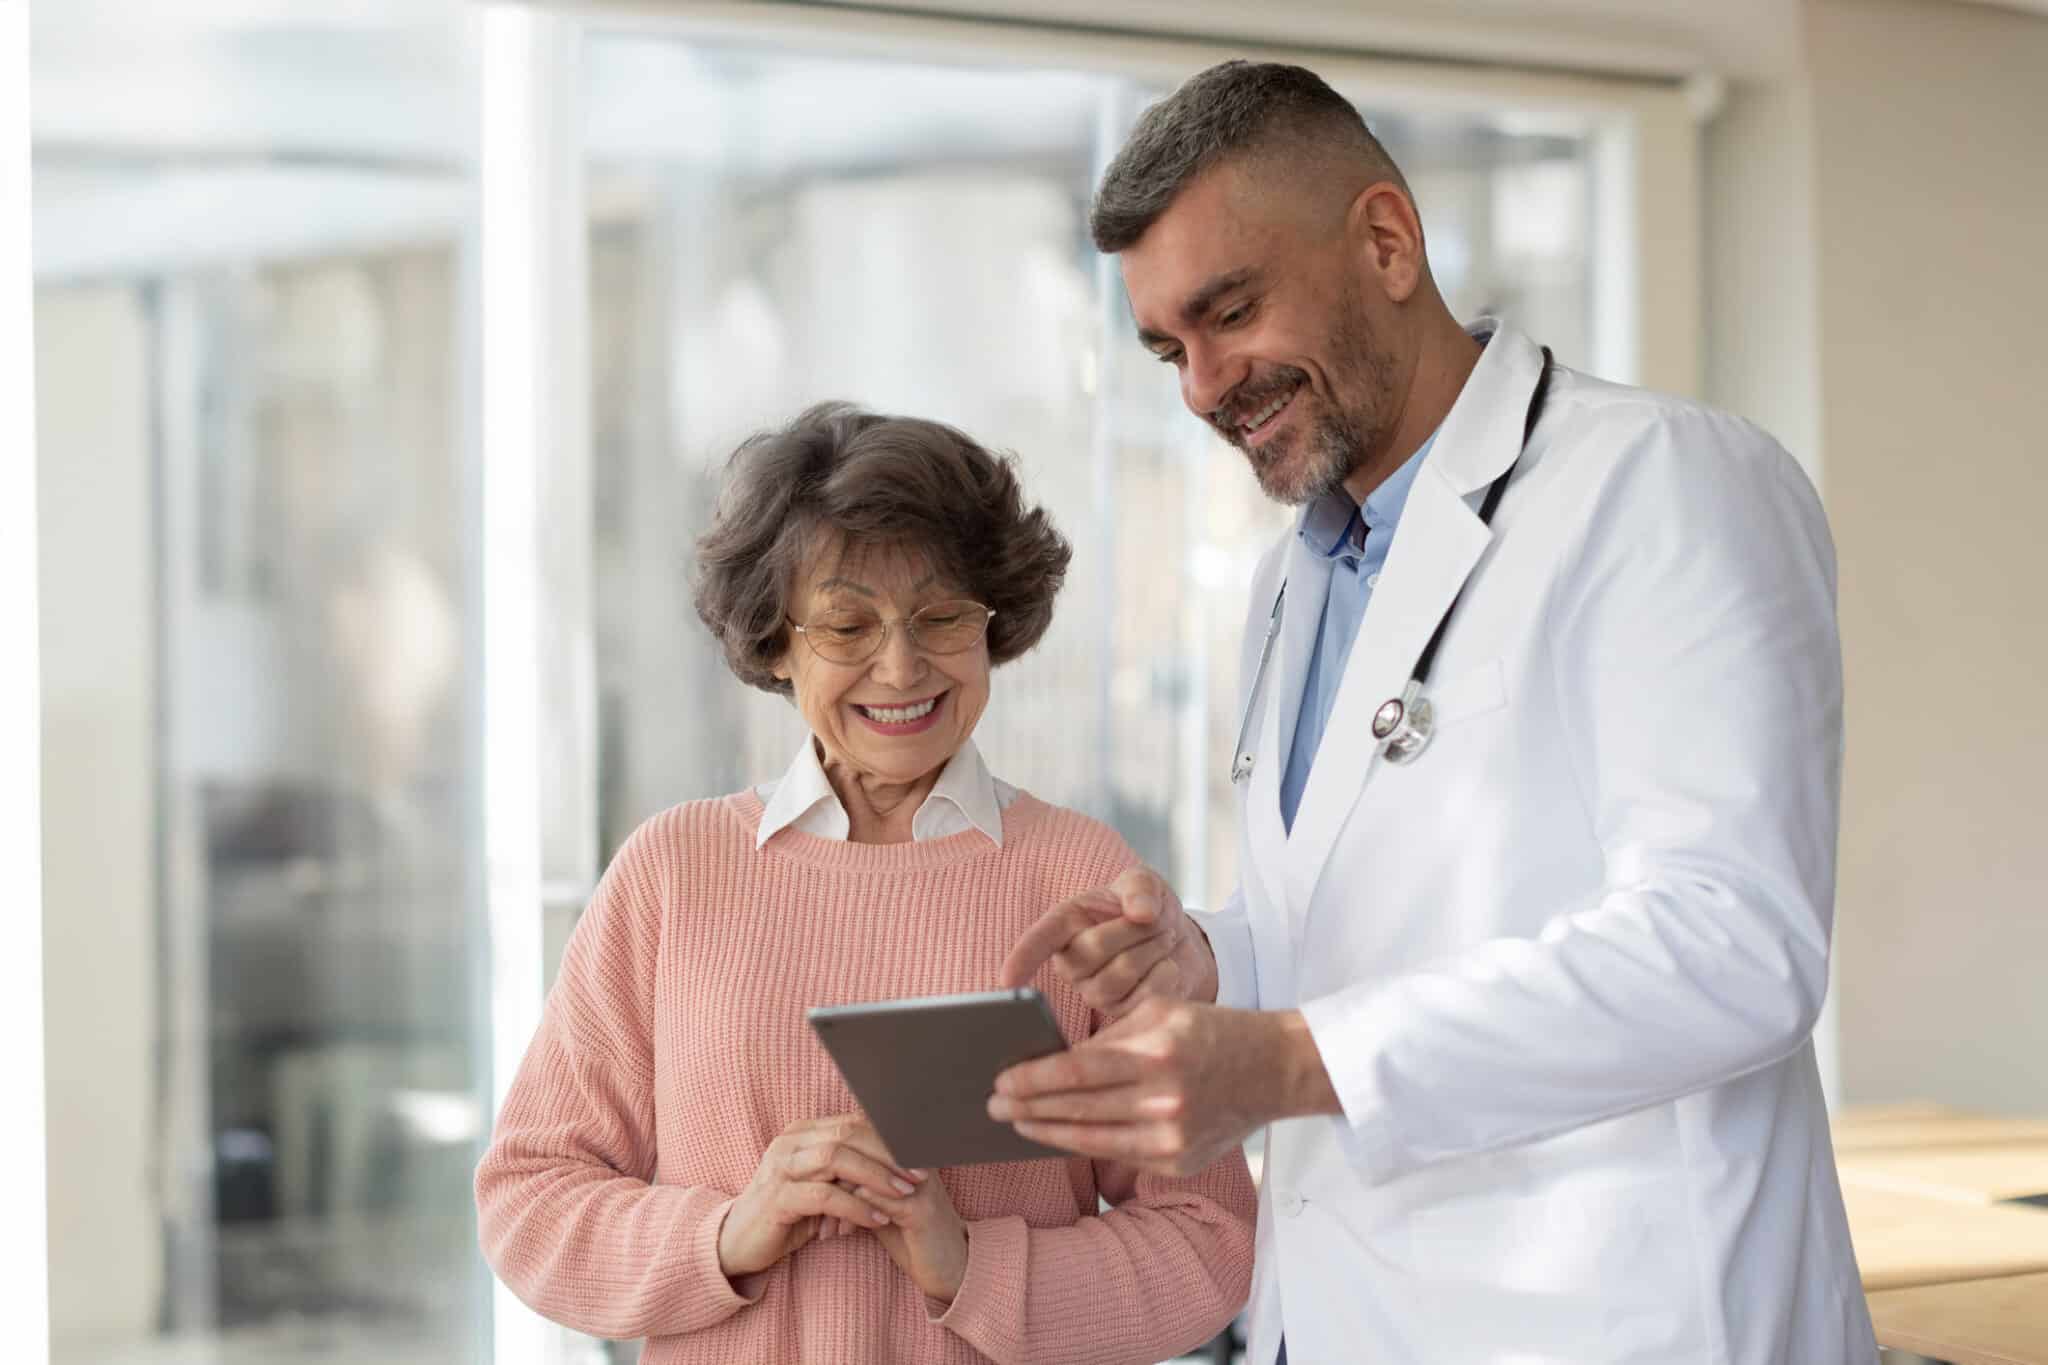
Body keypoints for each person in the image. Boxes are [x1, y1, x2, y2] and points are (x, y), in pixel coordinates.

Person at [989, 60, 1879, 1363]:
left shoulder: (1662, 485)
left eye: (1229, 311)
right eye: (1170, 347)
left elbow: (1734, 945)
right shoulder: (1291, 584)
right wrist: (1212, 966)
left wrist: (1285, 1059)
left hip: (1618, 1325)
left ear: (1389, 241)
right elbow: (1376, 934)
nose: (1198, 386)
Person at [474, 402, 1255, 1365]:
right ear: (776, 642)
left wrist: (970, 1264)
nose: (901, 666)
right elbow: (530, 1195)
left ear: (994, 622)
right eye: (848, 624)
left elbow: (1207, 1238)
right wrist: (726, 1233)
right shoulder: (674, 875)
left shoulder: (1081, 881)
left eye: (941, 618)